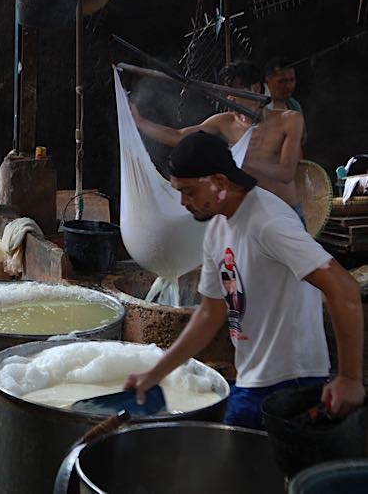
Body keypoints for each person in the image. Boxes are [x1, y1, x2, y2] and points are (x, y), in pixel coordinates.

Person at [124, 131, 365, 429]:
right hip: (253, 377)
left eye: (189, 191)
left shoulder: (269, 222)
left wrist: (351, 378)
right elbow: (211, 313)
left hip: (292, 380)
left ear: (220, 182)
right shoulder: (217, 228)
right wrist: (155, 374)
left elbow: (344, 289)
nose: (184, 202)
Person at [131, 60, 307, 226]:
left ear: (255, 88)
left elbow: (286, 173)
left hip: (286, 211)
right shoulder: (225, 122)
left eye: (235, 91)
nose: (229, 98)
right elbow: (178, 136)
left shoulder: (289, 120)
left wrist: (236, 160)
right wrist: (140, 122)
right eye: (226, 92)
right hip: (251, 213)